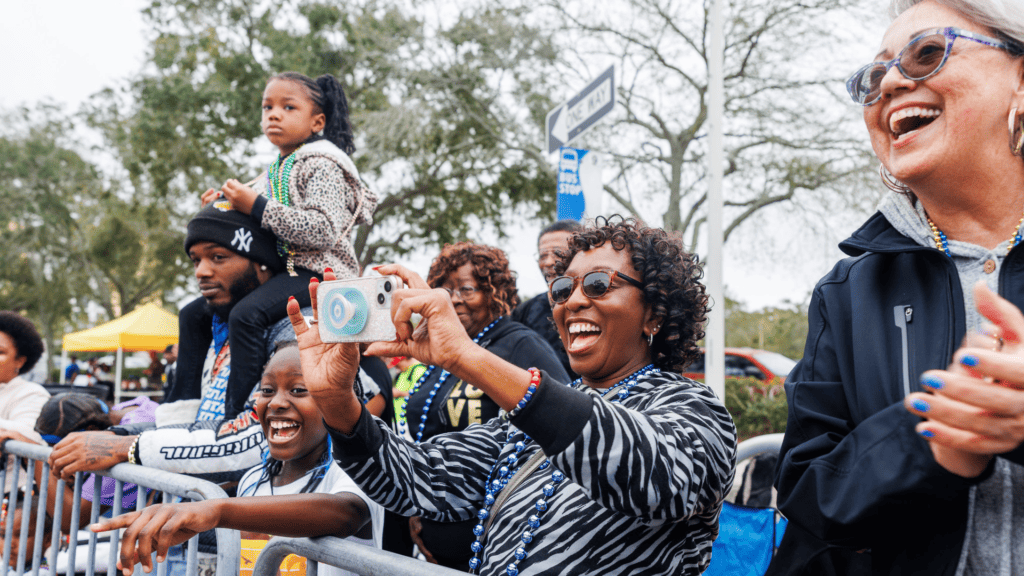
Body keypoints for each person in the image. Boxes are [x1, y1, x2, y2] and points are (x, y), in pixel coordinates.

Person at [273, 217, 734, 576]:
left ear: (655, 313)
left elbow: (650, 476)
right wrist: (336, 400)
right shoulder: (520, 430)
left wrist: (466, 357)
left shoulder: (696, 411)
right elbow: (418, 478)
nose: (573, 301)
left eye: (598, 284)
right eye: (562, 288)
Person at [772, 1, 1024, 574]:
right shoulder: (846, 291)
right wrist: (933, 439)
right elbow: (807, 494)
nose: (888, 84)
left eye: (927, 53)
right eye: (873, 77)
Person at [46, 211, 386, 486]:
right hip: (209, 525)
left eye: (218, 257)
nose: (202, 272)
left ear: (261, 262)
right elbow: (201, 425)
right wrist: (110, 436)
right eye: (195, 260)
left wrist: (128, 446)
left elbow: (259, 439)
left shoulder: (299, 327)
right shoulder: (219, 329)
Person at [176, 71, 378, 420]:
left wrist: (255, 205)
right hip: (286, 272)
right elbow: (255, 224)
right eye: (267, 107)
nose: (274, 115)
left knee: (246, 315)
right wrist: (221, 207)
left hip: (322, 273)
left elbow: (323, 230)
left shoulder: (323, 164)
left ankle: (242, 413)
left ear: (317, 122)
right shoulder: (275, 170)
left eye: (288, 107)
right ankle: (179, 409)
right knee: (192, 315)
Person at [92, 341, 383, 576]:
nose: (276, 402)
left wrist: (217, 512)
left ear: (339, 400)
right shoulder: (253, 481)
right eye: (267, 390)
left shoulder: (358, 469)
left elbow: (346, 514)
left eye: (298, 390)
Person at [394, 241, 570, 568]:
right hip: (433, 542)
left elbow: (562, 424)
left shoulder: (520, 344)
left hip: (496, 546)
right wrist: (419, 506)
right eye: (445, 290)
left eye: (467, 289)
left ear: (494, 292)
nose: (454, 299)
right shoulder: (439, 349)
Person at [512, 220, 582, 379]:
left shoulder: (600, 305)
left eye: (558, 253)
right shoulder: (525, 312)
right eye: (543, 255)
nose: (548, 262)